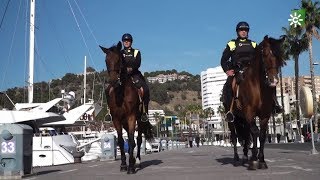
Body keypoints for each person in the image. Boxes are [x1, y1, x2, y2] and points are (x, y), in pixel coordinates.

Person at [220, 21, 283, 122]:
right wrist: (227, 70)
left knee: (270, 82)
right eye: (241, 30)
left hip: (252, 71)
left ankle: (275, 104)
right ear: (237, 32)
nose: (244, 32)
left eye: (246, 30)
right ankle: (230, 110)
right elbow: (224, 60)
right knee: (230, 84)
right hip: (238, 70)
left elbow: (260, 58)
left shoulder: (253, 44)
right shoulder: (232, 43)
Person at [121, 33, 150, 122]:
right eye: (125, 41)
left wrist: (131, 68)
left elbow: (138, 63)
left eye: (128, 41)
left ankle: (145, 112)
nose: (126, 42)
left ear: (131, 42)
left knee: (144, 89)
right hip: (123, 75)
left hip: (134, 74)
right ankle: (110, 111)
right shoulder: (120, 53)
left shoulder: (136, 52)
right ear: (122, 42)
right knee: (110, 88)